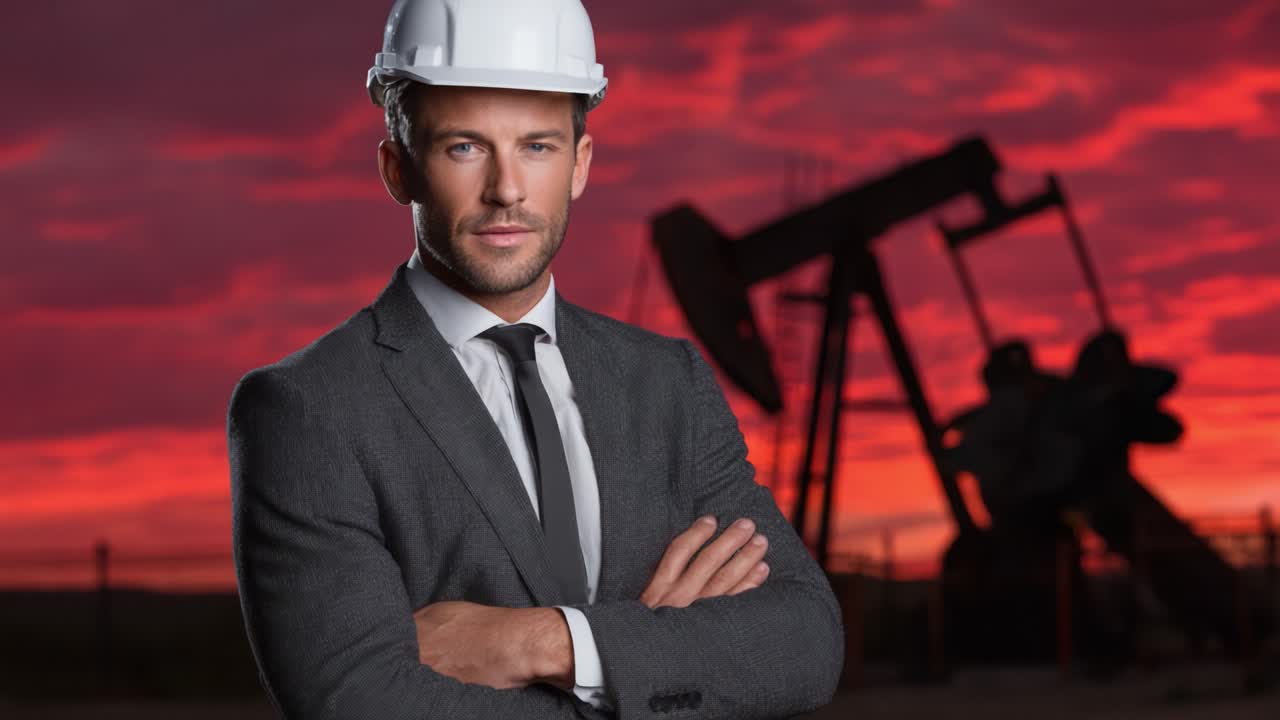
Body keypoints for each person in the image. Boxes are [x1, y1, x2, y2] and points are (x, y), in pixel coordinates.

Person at [226, 1, 843, 717]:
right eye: (465, 146)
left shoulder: (666, 385)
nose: (507, 189)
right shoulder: (309, 409)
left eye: (538, 147)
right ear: (399, 167)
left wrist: (547, 643)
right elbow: (358, 700)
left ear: (580, 164)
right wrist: (653, 667)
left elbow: (805, 642)